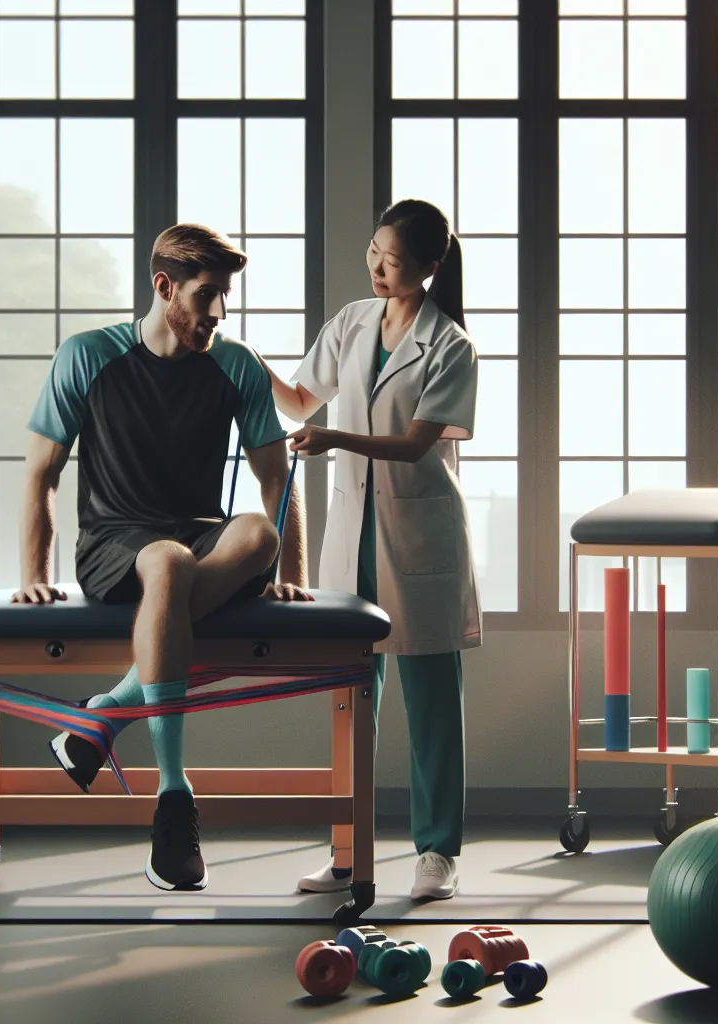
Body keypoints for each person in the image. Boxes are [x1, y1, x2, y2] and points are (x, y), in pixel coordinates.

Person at [14, 223, 312, 893]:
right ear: (163, 287)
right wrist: (33, 575)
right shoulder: (87, 355)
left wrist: (293, 577)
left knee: (255, 538)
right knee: (171, 564)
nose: (219, 313)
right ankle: (174, 796)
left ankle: (106, 715)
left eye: (225, 298)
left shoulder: (233, 363)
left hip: (195, 535)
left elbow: (276, 482)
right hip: (115, 542)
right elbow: (41, 473)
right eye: (207, 295)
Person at [265, 198, 481, 902]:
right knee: (351, 700)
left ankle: (437, 852)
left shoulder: (450, 345)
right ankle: (346, 850)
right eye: (374, 251)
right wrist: (240, 357)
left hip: (418, 539)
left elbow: (420, 443)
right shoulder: (353, 321)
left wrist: (336, 440)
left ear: (429, 265)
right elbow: (300, 400)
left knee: (430, 704)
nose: (378, 266)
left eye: (393, 258)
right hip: (352, 532)